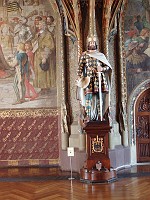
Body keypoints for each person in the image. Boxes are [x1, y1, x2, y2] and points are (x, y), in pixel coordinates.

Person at [76, 37, 112, 123]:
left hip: (99, 78)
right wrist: (78, 76)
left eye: (93, 43)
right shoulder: (84, 55)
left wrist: (101, 69)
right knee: (88, 96)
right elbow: (80, 67)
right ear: (88, 45)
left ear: (96, 44)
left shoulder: (101, 55)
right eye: (90, 43)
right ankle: (88, 115)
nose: (92, 44)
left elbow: (108, 66)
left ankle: (101, 115)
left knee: (100, 97)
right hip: (89, 78)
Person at [32, 20, 56, 94]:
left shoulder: (48, 34)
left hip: (44, 55)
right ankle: (42, 88)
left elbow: (50, 46)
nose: (38, 25)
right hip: (38, 55)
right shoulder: (38, 34)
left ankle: (46, 88)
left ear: (43, 25)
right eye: (38, 24)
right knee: (39, 72)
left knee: (44, 71)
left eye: (39, 24)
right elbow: (34, 42)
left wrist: (45, 57)